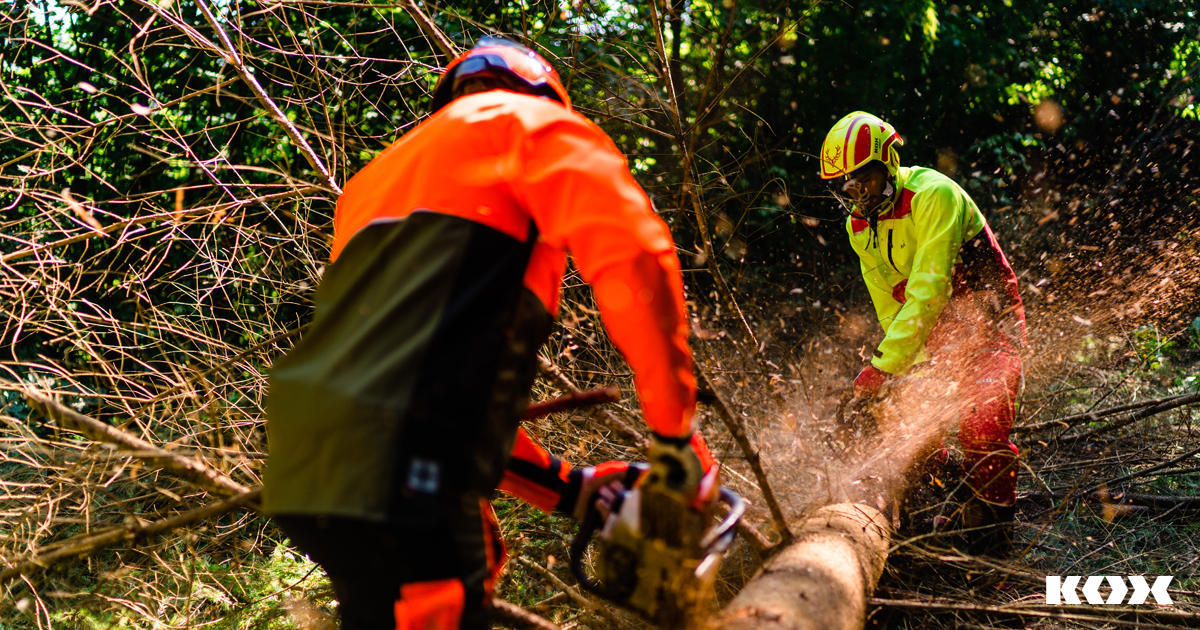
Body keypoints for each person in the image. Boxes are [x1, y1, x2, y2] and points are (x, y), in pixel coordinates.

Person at [262, 37, 716, 630]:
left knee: (459, 565)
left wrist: (571, 490)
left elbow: (416, 386)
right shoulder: (536, 126)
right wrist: (673, 432)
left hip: (307, 453)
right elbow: (636, 256)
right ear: (544, 92)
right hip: (399, 455)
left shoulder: (372, 182)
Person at [818, 111, 1027, 554]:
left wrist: (882, 367)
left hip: (991, 326)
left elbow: (928, 289)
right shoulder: (859, 225)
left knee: (982, 426)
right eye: (846, 187)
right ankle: (937, 516)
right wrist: (901, 374)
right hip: (932, 335)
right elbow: (889, 303)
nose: (857, 196)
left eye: (863, 181)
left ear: (887, 163)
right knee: (912, 424)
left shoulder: (933, 195)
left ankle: (994, 554)